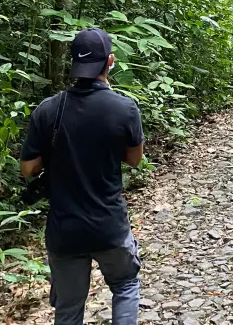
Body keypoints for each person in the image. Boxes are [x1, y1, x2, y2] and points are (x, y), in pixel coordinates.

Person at [20, 27, 144, 325]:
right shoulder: (125, 108)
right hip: (109, 226)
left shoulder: (48, 110)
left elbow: (28, 169)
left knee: (68, 308)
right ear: (110, 61)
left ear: (73, 63)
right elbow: (134, 159)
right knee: (125, 285)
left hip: (65, 231)